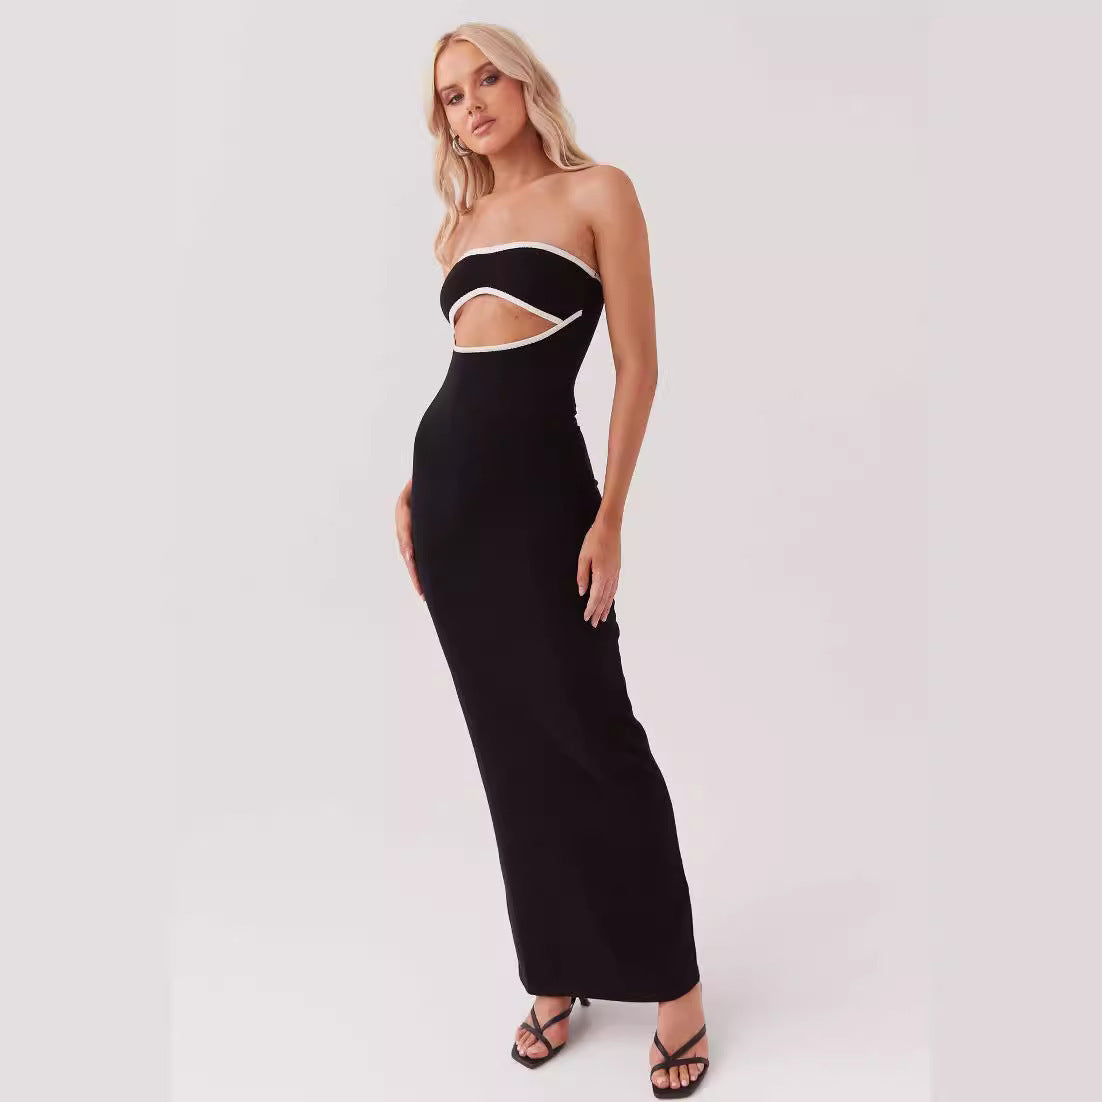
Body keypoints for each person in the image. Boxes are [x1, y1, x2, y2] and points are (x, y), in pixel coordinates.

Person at [394, 23, 711, 1097]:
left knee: (595, 735)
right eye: (452, 94)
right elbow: (466, 373)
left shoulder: (598, 193)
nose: (472, 102)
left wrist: (610, 515)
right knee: (509, 752)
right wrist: (413, 486)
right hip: (449, 510)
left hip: (547, 508)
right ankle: (554, 972)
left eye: (487, 77)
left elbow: (638, 366)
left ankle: (674, 986)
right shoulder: (459, 226)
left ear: (526, 82)